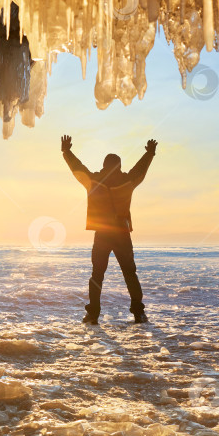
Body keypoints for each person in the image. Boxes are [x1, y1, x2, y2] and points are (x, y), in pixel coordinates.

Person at [61, 135, 157, 325]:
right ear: (119, 166)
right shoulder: (127, 180)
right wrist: (150, 153)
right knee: (130, 274)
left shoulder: (94, 181)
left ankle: (93, 315)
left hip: (102, 234)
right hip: (121, 233)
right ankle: (138, 313)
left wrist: (67, 151)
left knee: (97, 274)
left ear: (104, 166)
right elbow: (140, 170)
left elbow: (77, 168)